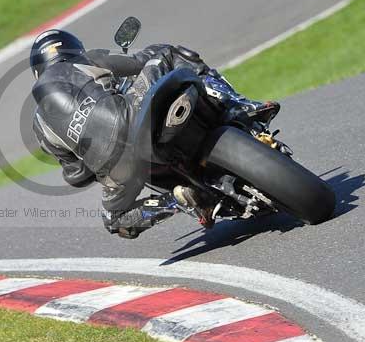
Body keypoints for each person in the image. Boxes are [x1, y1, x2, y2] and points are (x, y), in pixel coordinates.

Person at [30, 28, 222, 239]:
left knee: (115, 219)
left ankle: (176, 199)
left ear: (37, 71)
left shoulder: (40, 126)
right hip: (130, 117)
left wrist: (95, 151)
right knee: (166, 53)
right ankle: (235, 104)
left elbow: (77, 175)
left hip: (115, 168)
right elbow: (138, 63)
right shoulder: (86, 59)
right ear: (74, 48)